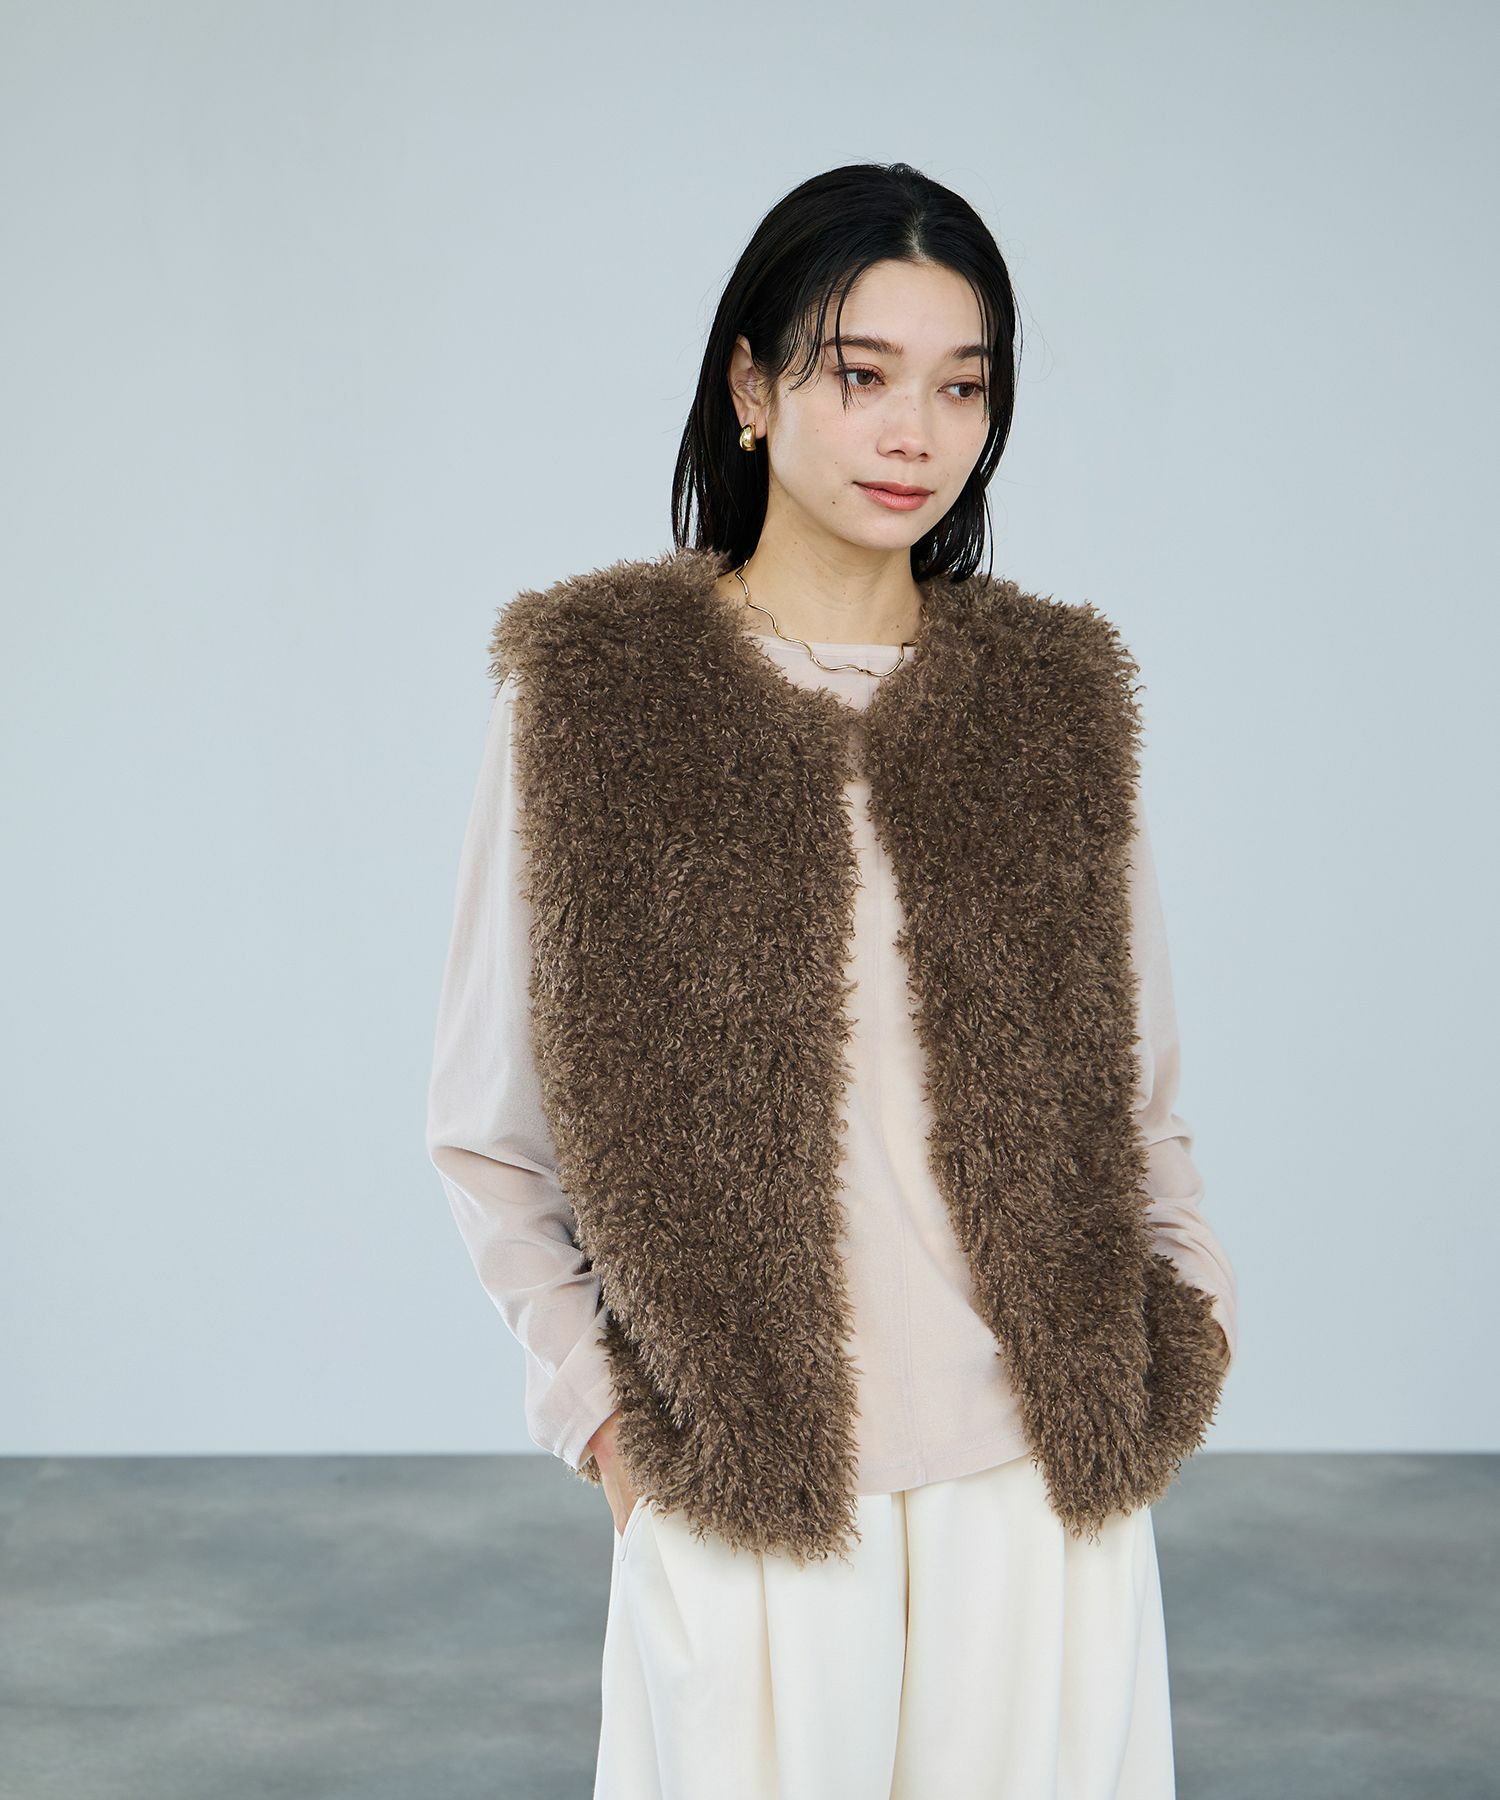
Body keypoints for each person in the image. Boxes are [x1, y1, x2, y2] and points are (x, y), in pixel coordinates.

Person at [426, 160, 1237, 1799]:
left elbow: (1137, 1101)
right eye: (862, 374)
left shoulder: (1053, 703)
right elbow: (489, 1133)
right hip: (748, 1483)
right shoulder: (595, 696)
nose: (914, 433)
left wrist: (1177, 1347)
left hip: (1043, 1479)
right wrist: (611, 1432)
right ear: (752, 386)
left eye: (962, 386)